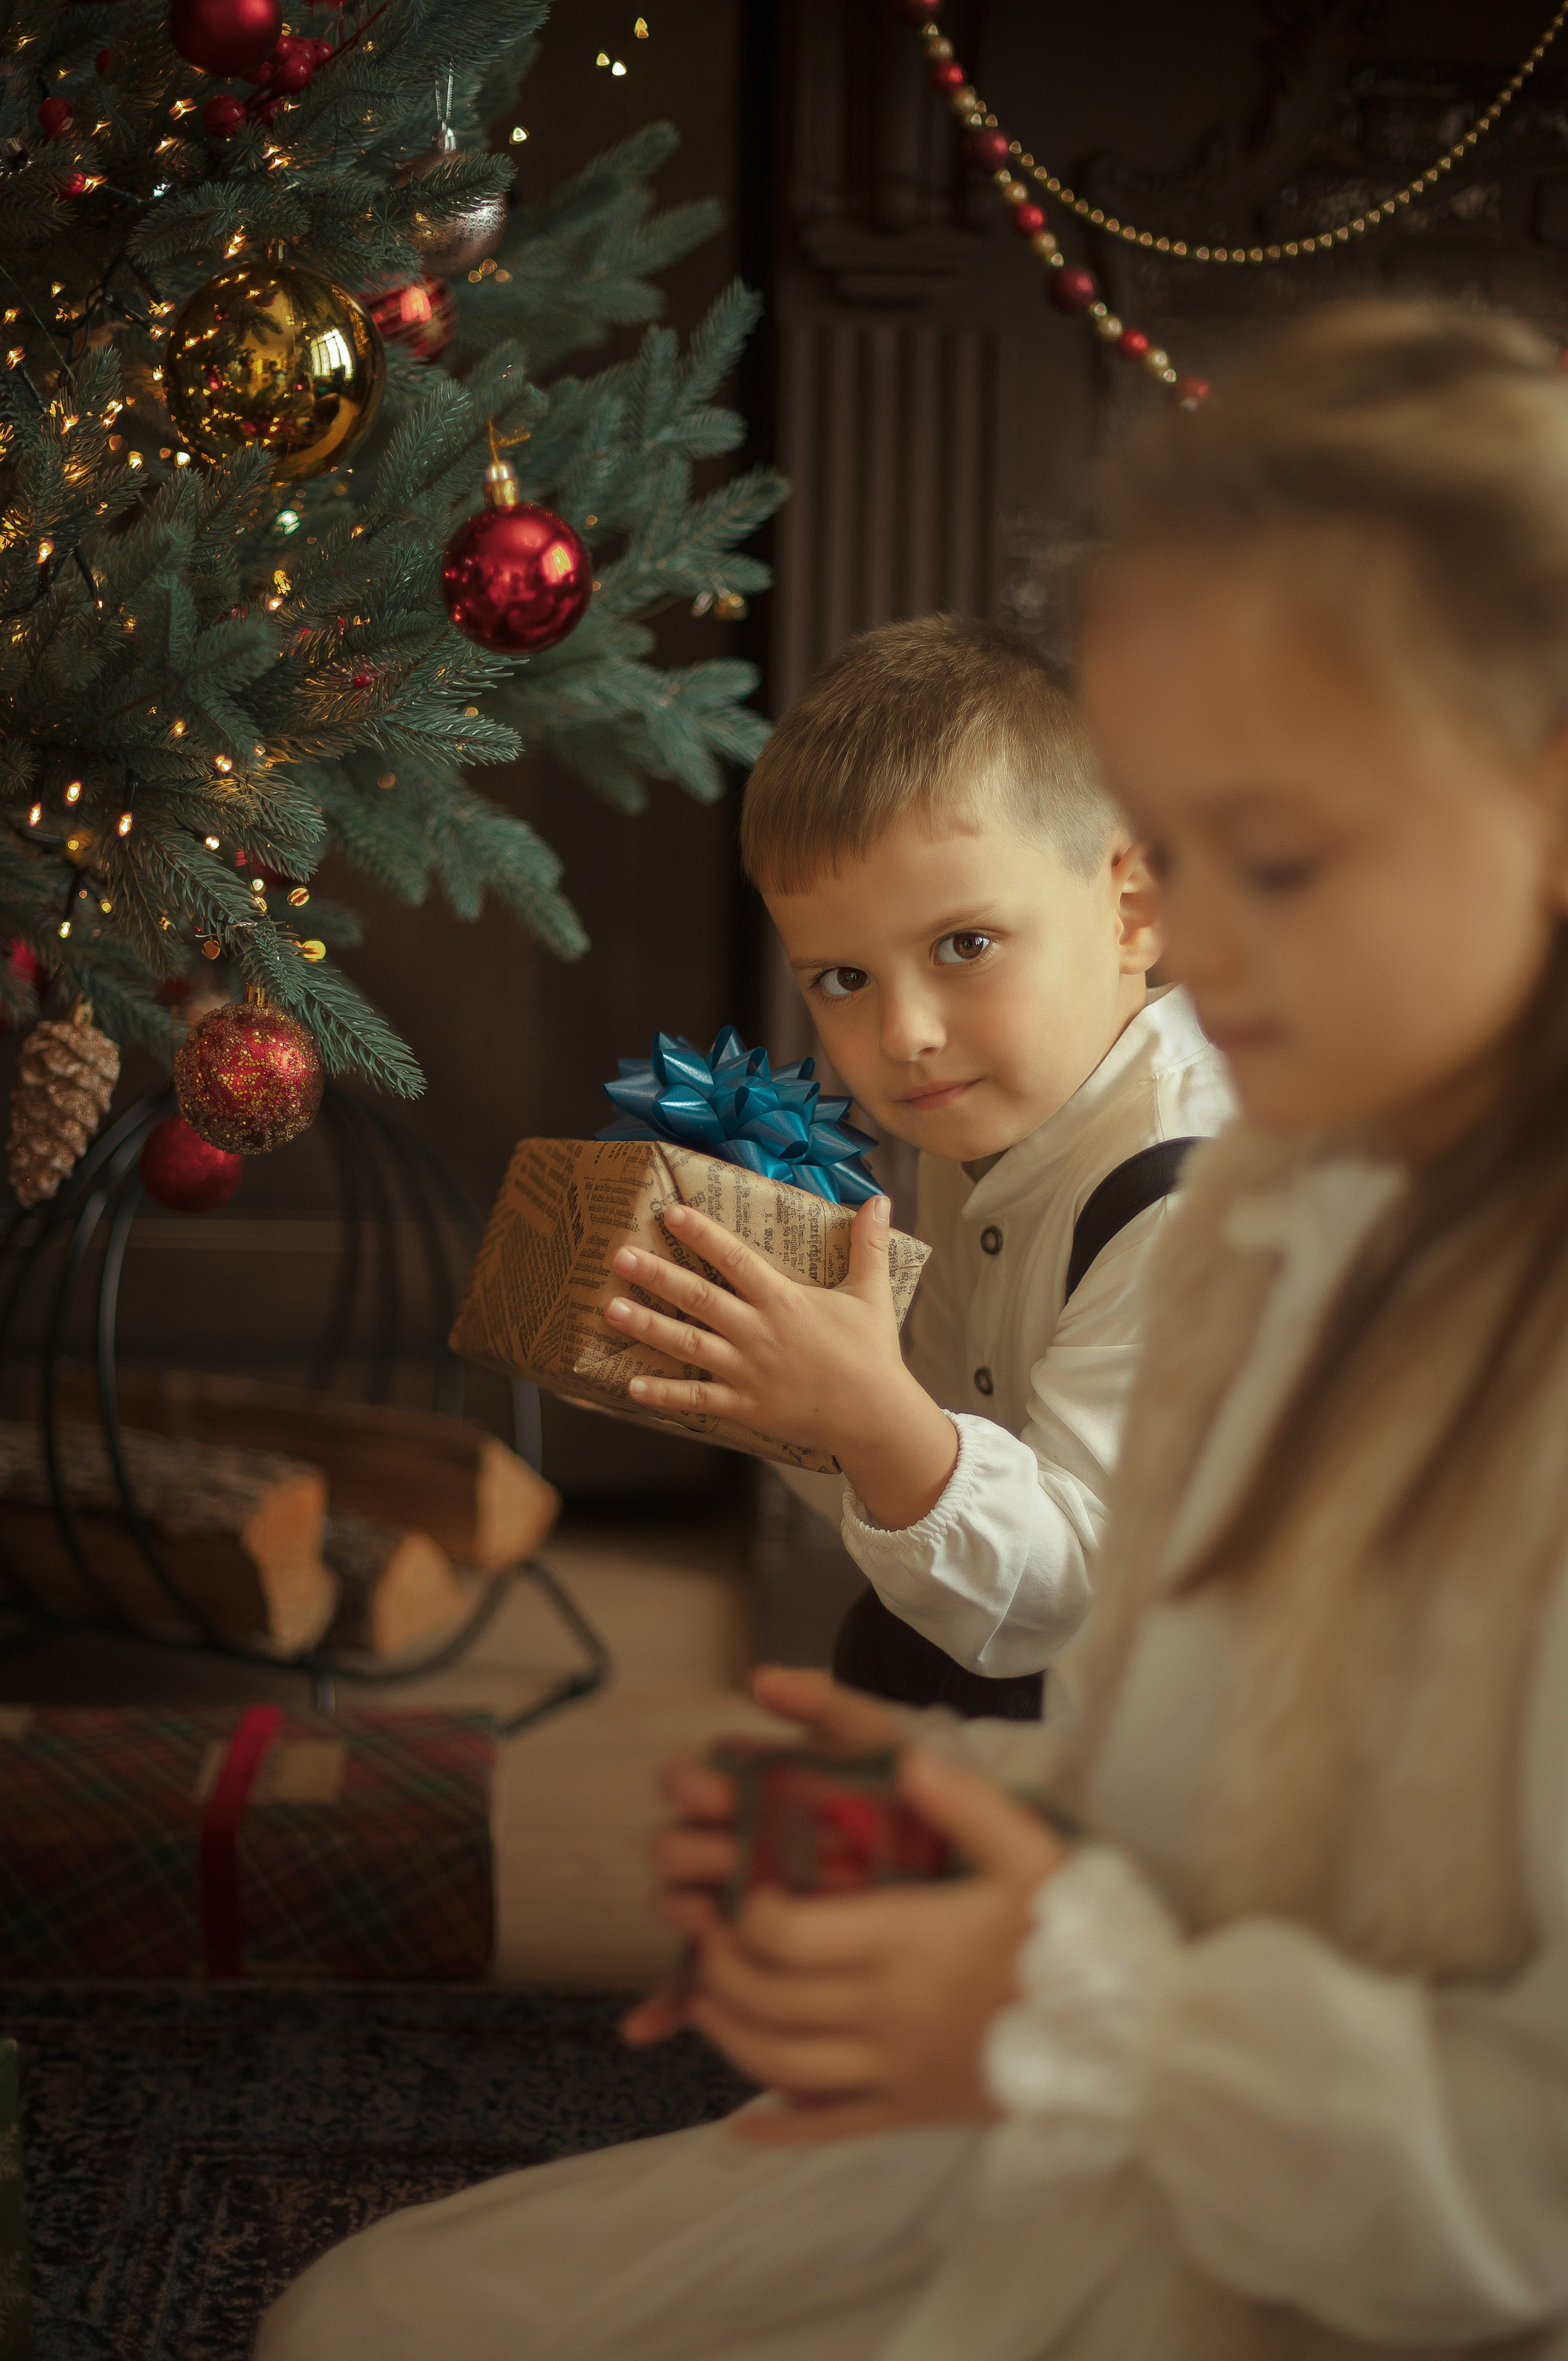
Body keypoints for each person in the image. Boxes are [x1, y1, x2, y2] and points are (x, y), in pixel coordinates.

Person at [260, 298, 1568, 2360]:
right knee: (363, 2317)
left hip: (1309, 2231)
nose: (1202, 950)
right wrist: (989, 1824)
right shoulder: (1288, 1215)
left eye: (1278, 852)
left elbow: (1514, 2176)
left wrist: (1059, 2000)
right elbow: (1215, 1759)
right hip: (1125, 2097)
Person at [612, 617, 1232, 1718]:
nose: (903, 1035)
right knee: (885, 1654)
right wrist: (774, 1379)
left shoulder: (1191, 1199)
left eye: (965, 946)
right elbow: (950, 1433)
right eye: (842, 977)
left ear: (1132, 909)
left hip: (1204, 1719)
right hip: (1030, 1639)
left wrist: (872, 1421)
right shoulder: (991, 1114)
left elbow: (1074, 1598)